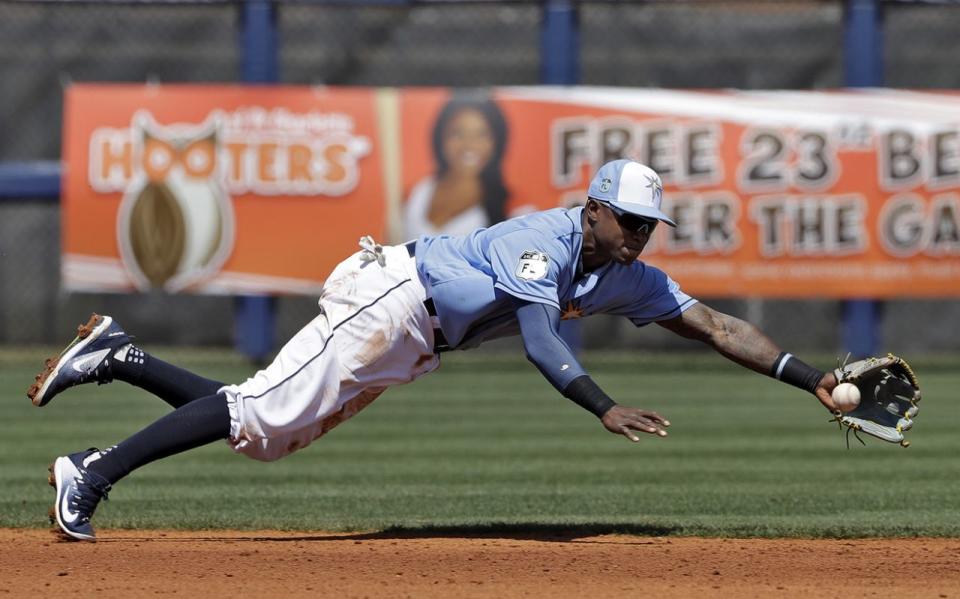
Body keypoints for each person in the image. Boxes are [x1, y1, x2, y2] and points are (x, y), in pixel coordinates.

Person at [30, 159, 842, 542]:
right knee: (261, 409)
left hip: (417, 337)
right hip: (394, 298)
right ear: (592, 209)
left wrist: (815, 380)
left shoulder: (623, 274)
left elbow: (719, 326)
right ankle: (90, 474)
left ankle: (118, 356)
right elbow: (536, 337)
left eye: (646, 226)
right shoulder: (542, 243)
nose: (636, 236)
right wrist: (601, 403)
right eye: (625, 221)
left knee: (264, 434)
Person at [403, 91, 511, 238]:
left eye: (482, 134)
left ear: (497, 141)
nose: (469, 145)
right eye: (457, 133)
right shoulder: (418, 191)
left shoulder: (511, 206)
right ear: (441, 136)